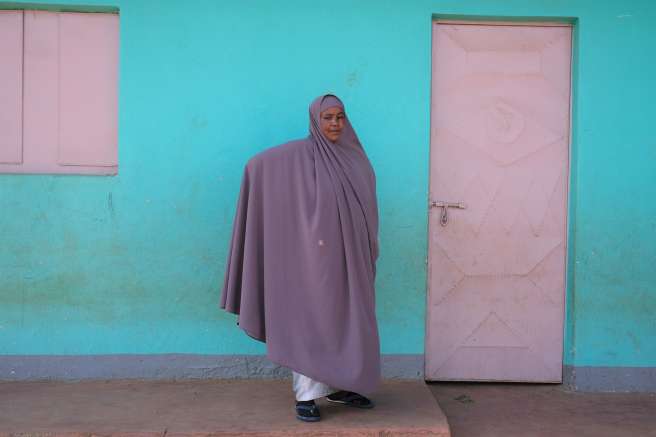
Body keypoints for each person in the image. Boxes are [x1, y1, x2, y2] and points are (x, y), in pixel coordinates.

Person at [220, 94, 380, 422]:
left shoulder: (355, 158)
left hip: (352, 260)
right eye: (328, 118)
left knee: (347, 320)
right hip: (312, 262)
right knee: (313, 320)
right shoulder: (299, 156)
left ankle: (342, 385)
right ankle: (306, 396)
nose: (335, 124)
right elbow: (257, 165)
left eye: (340, 117)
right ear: (315, 121)